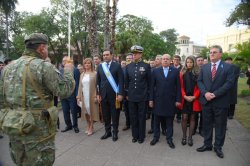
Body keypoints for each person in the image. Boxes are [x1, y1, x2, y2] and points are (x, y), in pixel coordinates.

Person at [0, 33, 75, 165]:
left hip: (14, 126)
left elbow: (2, 99)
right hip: (37, 130)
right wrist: (68, 70)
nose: (46, 51)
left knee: (21, 161)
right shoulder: (43, 66)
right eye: (46, 48)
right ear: (41, 48)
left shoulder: (8, 68)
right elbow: (64, 91)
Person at [197, 45, 234, 158]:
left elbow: (229, 83)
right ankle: (207, 144)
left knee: (220, 126)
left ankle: (218, 147)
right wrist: (205, 93)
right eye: (210, 52)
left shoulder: (228, 67)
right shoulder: (204, 67)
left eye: (214, 52)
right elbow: (200, 81)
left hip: (220, 102)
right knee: (207, 124)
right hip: (207, 101)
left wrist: (215, 94)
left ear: (220, 54)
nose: (211, 54)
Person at [149, 54, 181, 149]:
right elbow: (151, 87)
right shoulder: (155, 71)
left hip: (170, 101)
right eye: (163, 59)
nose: (165, 60)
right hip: (158, 100)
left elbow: (178, 87)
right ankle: (156, 137)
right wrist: (151, 99)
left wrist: (178, 100)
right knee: (156, 121)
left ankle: (169, 139)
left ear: (170, 60)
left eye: (167, 59)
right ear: (161, 60)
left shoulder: (175, 71)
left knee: (169, 121)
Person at [125, 45, 151, 144]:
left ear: (141, 54)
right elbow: (126, 82)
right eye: (133, 53)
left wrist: (148, 95)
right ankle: (134, 135)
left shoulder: (146, 66)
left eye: (136, 53)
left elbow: (149, 82)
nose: (134, 55)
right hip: (131, 96)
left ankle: (141, 136)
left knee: (141, 116)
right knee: (133, 116)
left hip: (142, 96)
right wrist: (126, 93)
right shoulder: (128, 66)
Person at [96, 49, 124, 142]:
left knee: (115, 115)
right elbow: (98, 82)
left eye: (107, 55)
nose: (105, 56)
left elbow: (121, 80)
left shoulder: (117, 66)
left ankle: (115, 132)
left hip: (115, 95)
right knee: (106, 115)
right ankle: (107, 132)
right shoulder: (100, 66)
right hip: (104, 95)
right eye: (104, 55)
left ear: (111, 55)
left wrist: (120, 93)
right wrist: (98, 94)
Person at [178, 56, 201, 146]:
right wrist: (184, 96)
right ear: (185, 63)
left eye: (191, 62)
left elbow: (200, 87)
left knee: (192, 118)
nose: (189, 64)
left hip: (194, 99)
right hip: (185, 99)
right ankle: (184, 136)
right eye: (187, 62)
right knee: (184, 118)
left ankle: (190, 137)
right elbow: (180, 87)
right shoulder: (182, 73)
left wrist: (194, 97)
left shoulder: (198, 73)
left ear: (194, 63)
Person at [77, 58, 99, 136]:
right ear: (84, 65)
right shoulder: (82, 74)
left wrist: (97, 95)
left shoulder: (95, 73)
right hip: (84, 96)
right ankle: (88, 125)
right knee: (85, 112)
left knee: (91, 111)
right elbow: (80, 86)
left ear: (91, 64)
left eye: (89, 63)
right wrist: (78, 95)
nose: (87, 64)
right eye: (85, 63)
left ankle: (91, 127)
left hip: (92, 95)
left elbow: (97, 86)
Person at [60, 56, 80, 133]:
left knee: (74, 111)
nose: (64, 62)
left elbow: (77, 83)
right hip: (63, 95)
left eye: (65, 61)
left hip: (72, 95)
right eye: (63, 61)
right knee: (65, 111)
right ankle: (68, 125)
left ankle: (75, 126)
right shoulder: (61, 71)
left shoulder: (75, 70)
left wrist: (77, 94)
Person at [195, 55, 205, 135]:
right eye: (199, 60)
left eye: (202, 60)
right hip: (195, 95)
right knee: (194, 114)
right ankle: (194, 128)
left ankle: (201, 128)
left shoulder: (207, 69)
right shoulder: (193, 71)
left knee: (203, 113)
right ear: (196, 61)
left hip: (204, 94)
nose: (200, 62)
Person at [172, 55, 183, 123]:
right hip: (172, 87)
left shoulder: (182, 68)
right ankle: (172, 115)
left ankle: (179, 116)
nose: (176, 60)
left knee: (179, 101)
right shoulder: (170, 67)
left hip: (180, 87)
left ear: (179, 60)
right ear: (173, 60)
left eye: (177, 59)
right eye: (175, 59)